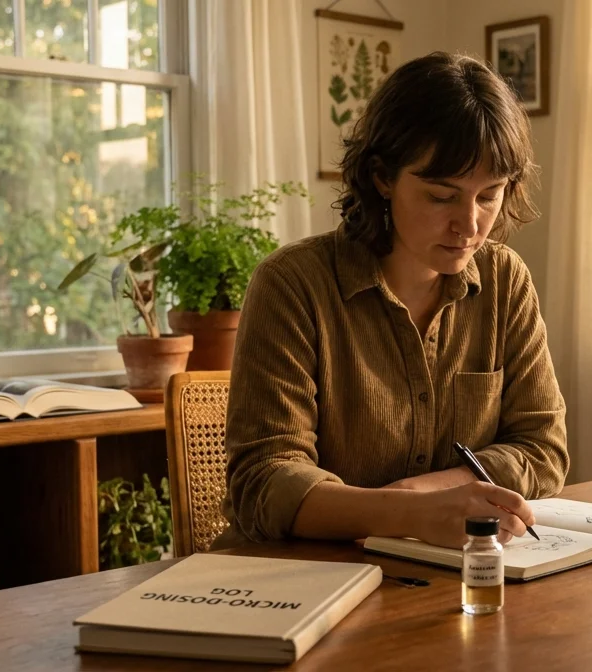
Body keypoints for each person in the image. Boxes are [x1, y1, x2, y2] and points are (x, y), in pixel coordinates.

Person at [216, 52, 567, 550]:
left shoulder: (505, 281)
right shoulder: (292, 285)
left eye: (489, 195)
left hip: (437, 570)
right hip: (303, 575)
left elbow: (543, 449)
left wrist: (428, 492)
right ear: (382, 178)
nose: (469, 225)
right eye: (441, 196)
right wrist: (412, 513)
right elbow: (264, 482)